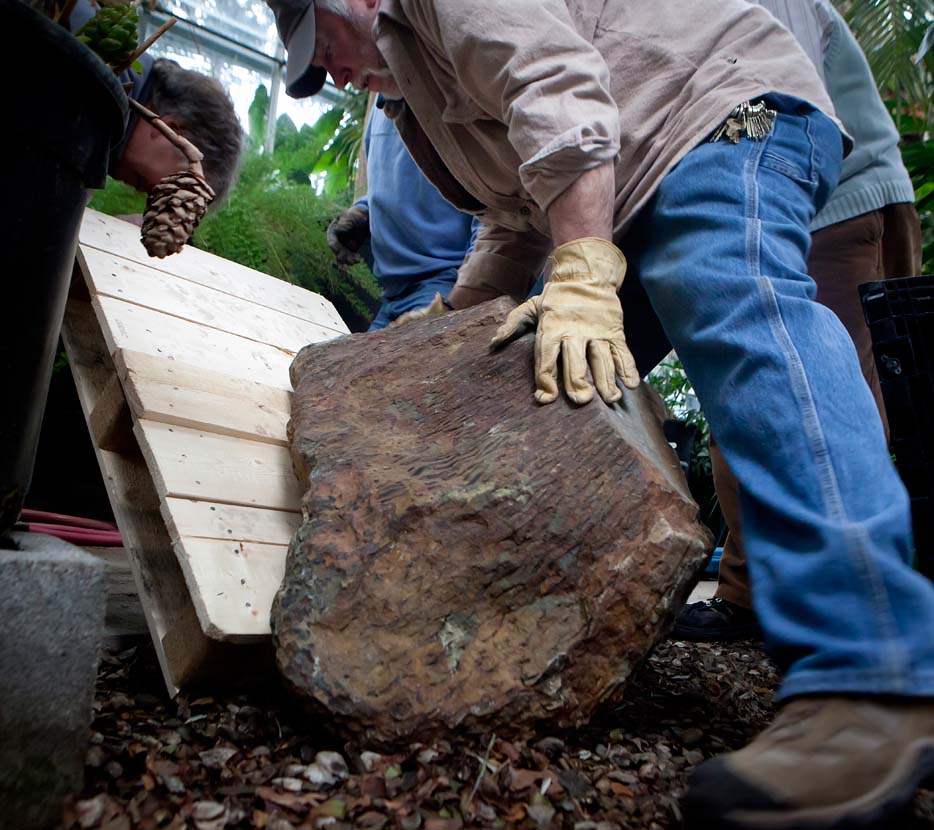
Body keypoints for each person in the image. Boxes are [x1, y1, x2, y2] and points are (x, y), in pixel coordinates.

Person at [267, 0, 934, 826]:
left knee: (730, 285)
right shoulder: (417, 92)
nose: (327, 74)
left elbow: (559, 90)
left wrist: (582, 269)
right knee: (529, 358)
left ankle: (873, 675)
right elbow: (516, 208)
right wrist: (464, 315)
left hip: (718, 112)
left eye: (319, 45)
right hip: (633, 172)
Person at [674, 0, 924, 643]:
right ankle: (763, 594)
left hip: (826, 203)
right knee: (795, 387)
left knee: (778, 382)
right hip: (833, 193)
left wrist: (698, 173)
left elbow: (771, 96)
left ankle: (845, 625)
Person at [325, 98, 479, 330]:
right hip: (390, 293)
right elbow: (384, 184)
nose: (338, 79)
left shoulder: (450, 92)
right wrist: (362, 212)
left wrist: (461, 296)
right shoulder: (379, 108)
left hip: (441, 284)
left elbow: (494, 210)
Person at [70, 0, 242, 202]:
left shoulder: (119, 80)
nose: (155, 195)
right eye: (184, 183)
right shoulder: (96, 91)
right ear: (172, 129)